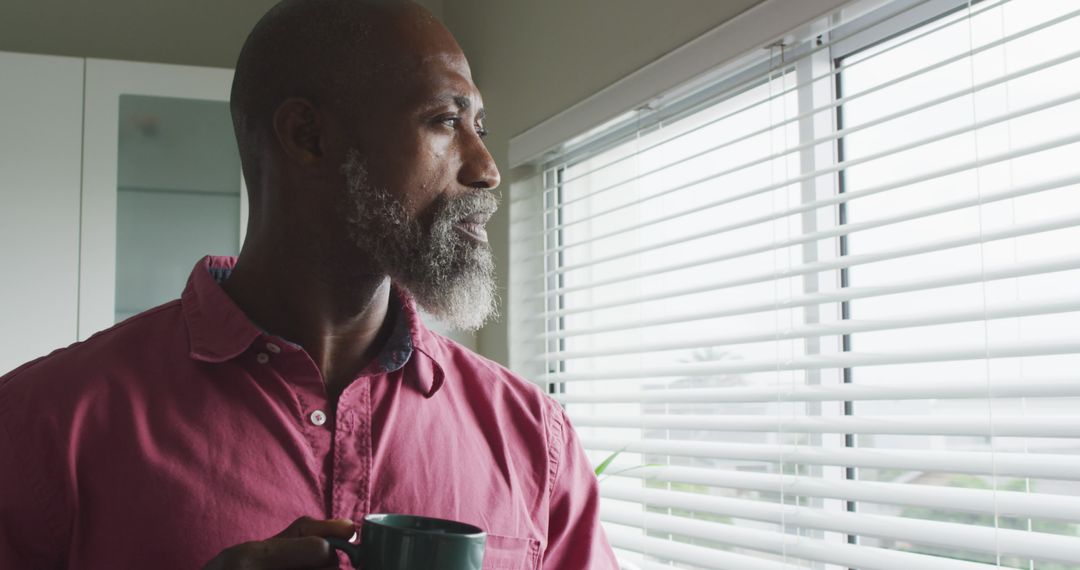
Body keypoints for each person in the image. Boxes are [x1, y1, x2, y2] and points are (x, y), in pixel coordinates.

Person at [0, 1, 618, 568]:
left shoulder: (536, 439)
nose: (486, 169)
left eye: (479, 125)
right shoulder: (41, 425)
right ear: (308, 136)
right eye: (444, 120)